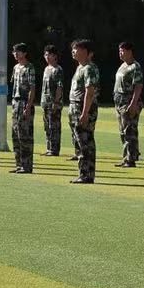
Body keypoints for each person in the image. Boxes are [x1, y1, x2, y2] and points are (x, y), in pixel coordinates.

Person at [69, 39, 99, 184]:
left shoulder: (89, 68)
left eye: (77, 49)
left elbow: (90, 91)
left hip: (83, 108)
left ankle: (87, 174)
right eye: (73, 49)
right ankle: (84, 173)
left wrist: (85, 113)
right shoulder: (80, 68)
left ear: (87, 52)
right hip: (76, 107)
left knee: (85, 141)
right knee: (80, 141)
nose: (73, 51)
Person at [8, 43, 37, 174]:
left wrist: (28, 106)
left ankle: (27, 165)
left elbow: (32, 88)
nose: (15, 54)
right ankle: (19, 163)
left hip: (25, 102)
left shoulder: (29, 68)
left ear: (24, 53)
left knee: (25, 135)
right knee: (15, 134)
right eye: (14, 52)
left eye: (18, 51)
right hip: (16, 102)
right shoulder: (16, 68)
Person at [113, 42, 143, 168]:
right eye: (119, 51)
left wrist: (133, 103)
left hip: (128, 101)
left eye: (123, 51)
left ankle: (131, 159)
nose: (120, 53)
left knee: (129, 131)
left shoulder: (135, 67)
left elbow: (138, 86)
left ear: (130, 51)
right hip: (119, 102)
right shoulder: (122, 66)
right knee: (123, 131)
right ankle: (126, 157)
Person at [39, 44, 65, 158]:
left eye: (49, 54)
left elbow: (59, 87)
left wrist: (56, 101)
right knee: (47, 126)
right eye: (45, 55)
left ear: (55, 56)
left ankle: (54, 149)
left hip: (54, 103)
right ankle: (49, 147)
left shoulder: (57, 70)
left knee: (54, 126)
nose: (47, 57)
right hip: (45, 102)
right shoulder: (46, 69)